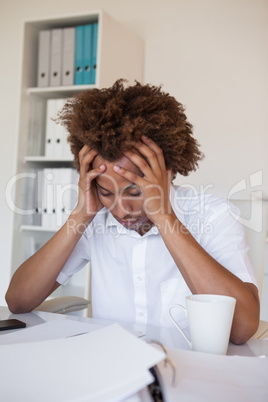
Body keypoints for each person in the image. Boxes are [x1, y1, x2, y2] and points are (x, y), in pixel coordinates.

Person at [6, 79, 259, 344]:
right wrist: (80, 216)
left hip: (187, 370)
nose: (121, 210)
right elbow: (18, 300)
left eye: (134, 191)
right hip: (115, 367)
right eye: (106, 193)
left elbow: (242, 328)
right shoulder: (95, 220)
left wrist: (164, 217)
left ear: (167, 171)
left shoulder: (213, 215)